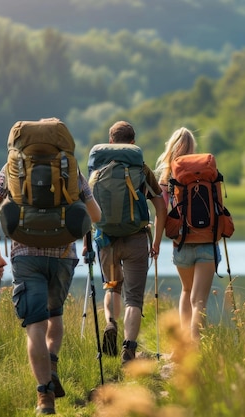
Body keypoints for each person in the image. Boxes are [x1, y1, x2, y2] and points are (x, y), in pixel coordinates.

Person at [0, 120, 102, 415]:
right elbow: (95, 214)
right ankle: (52, 363)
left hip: (24, 254)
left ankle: (43, 397)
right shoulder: (70, 169)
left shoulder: (12, 168)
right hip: (62, 254)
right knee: (54, 315)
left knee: (35, 325)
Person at [94, 121, 167, 364]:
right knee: (133, 298)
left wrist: (86, 242)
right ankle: (129, 348)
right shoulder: (141, 169)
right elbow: (160, 206)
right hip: (136, 240)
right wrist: (156, 242)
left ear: (111, 142)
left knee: (112, 286)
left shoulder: (97, 167)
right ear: (133, 142)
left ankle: (110, 323)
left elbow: (86, 208)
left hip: (106, 240)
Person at [155, 127, 220, 342]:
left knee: (186, 291)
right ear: (193, 148)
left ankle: (183, 346)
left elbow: (161, 213)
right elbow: (219, 206)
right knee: (199, 300)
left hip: (181, 243)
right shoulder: (208, 172)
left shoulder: (166, 177)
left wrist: (155, 243)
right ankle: (196, 345)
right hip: (207, 241)